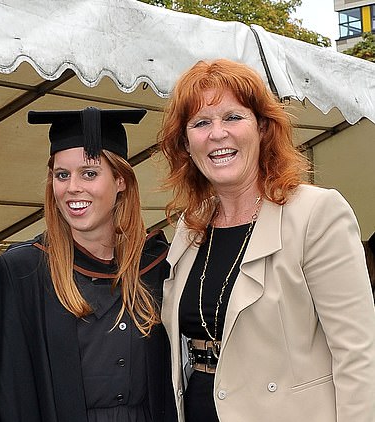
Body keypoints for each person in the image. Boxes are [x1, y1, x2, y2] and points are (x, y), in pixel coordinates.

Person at [157, 58, 375, 422]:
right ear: (185, 143)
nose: (217, 134)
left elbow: (359, 355)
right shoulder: (190, 227)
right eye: (200, 123)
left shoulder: (315, 213)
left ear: (262, 127)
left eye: (232, 117)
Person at [0, 107, 177, 422]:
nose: (72, 187)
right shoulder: (22, 273)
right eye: (62, 175)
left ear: (120, 180)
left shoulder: (157, 267)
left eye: (89, 173)